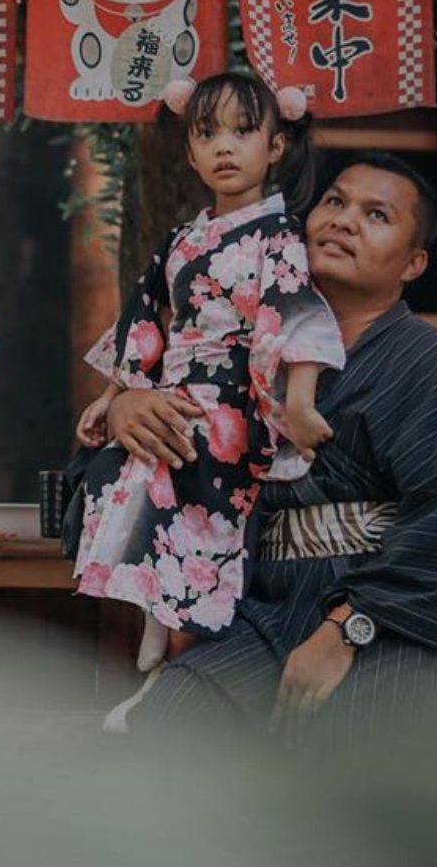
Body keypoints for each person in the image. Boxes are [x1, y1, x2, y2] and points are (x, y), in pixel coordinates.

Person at [123, 153, 437, 746]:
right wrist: (130, 404)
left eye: (376, 213)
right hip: (267, 609)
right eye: (334, 202)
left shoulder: (433, 365)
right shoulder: (255, 358)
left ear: (414, 262)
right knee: (171, 726)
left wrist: (347, 629)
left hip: (392, 624)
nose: (344, 220)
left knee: (351, 770)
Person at [71, 72, 346, 729]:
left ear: (276, 147)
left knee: (202, 526)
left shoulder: (277, 237)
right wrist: (114, 394)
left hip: (230, 407)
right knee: (117, 478)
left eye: (243, 131)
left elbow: (293, 320)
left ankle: (174, 663)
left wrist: (299, 402)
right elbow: (147, 321)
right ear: (191, 153)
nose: (225, 147)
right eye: (207, 133)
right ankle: (157, 623)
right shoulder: (181, 240)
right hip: (173, 389)